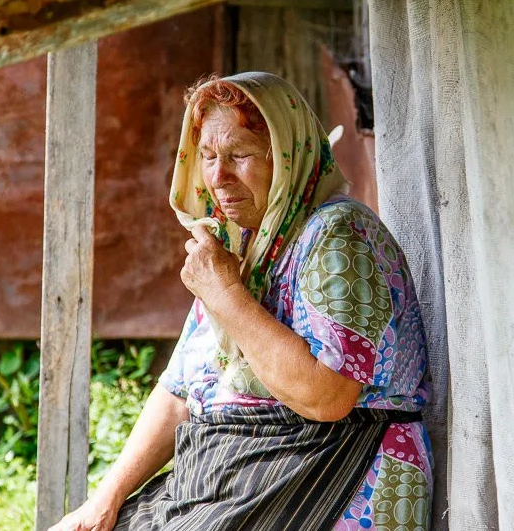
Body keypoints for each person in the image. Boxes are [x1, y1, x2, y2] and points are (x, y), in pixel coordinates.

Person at [49, 72, 432, 531]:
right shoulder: (246, 246)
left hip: (326, 470)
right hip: (234, 474)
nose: (218, 177)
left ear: (289, 158)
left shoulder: (337, 236)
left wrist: (226, 294)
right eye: (207, 157)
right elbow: (179, 393)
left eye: (239, 155)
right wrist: (104, 500)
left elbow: (327, 396)